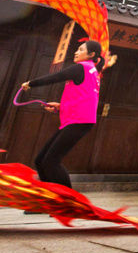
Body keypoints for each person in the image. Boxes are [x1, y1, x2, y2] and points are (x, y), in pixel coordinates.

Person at [19, 40, 108, 191]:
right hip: (77, 119)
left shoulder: (81, 67)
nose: (76, 52)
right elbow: (84, 98)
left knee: (51, 161)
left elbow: (55, 77)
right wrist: (61, 107)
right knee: (41, 160)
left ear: (91, 54)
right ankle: (49, 200)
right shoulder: (92, 71)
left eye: (80, 49)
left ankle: (69, 201)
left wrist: (31, 83)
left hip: (79, 121)